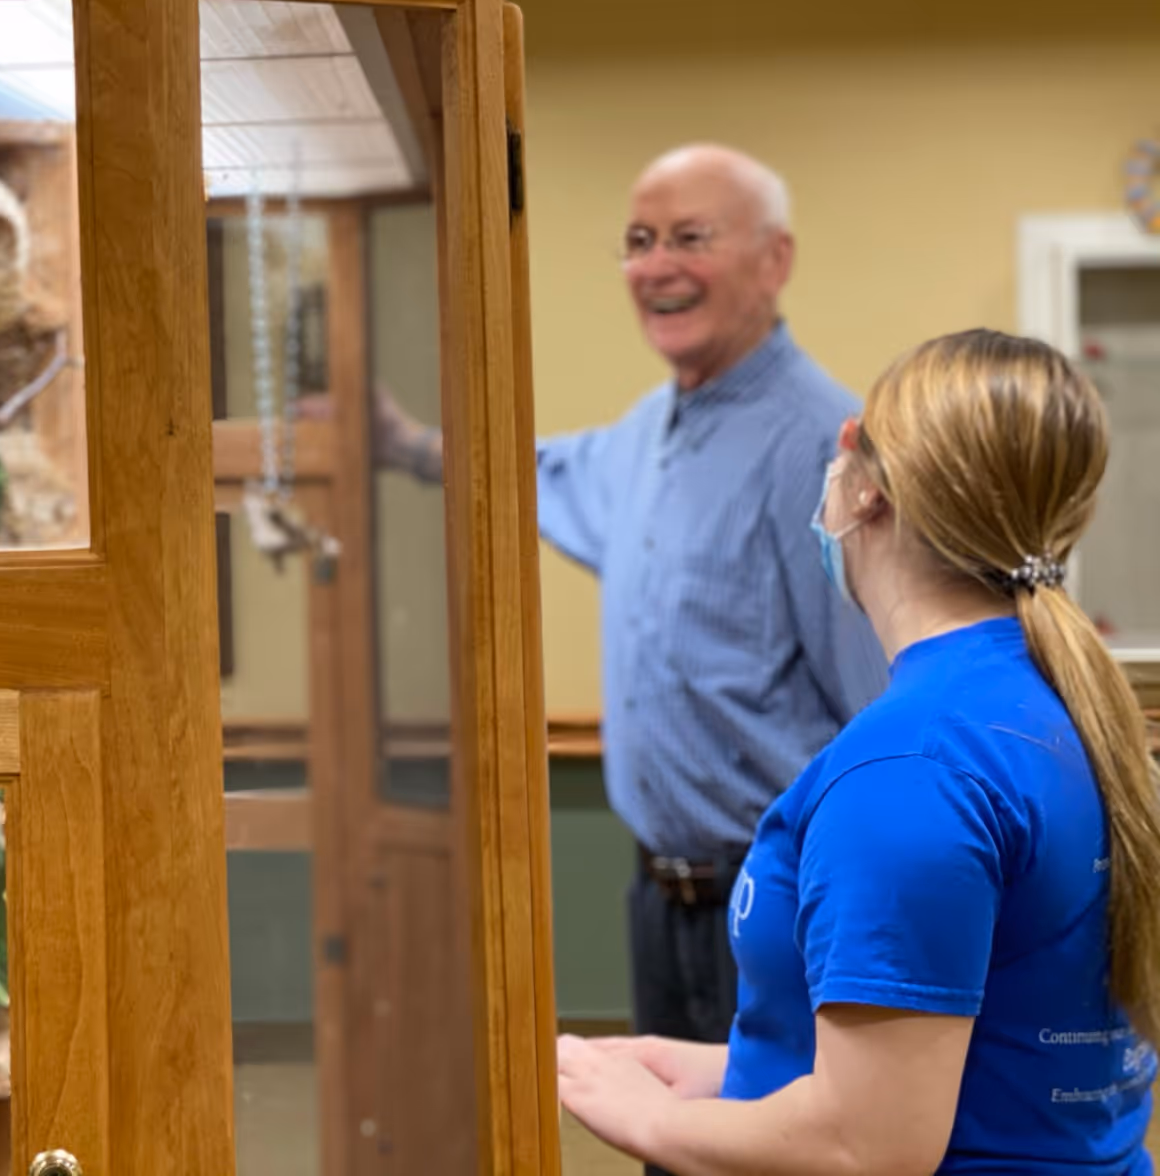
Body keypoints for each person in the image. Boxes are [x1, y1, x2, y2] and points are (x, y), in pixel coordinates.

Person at [323, 145, 885, 1146]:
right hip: (660, 898)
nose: (656, 264)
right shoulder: (648, 432)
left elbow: (878, 714)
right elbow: (532, 472)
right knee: (670, 1149)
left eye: (689, 238)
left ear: (774, 260)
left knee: (771, 1158)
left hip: (783, 909)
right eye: (637, 241)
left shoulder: (820, 449)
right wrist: (403, 443)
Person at [558, 329, 1160, 1174]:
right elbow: (988, 1051)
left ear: (865, 485)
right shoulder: (1051, 708)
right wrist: (716, 1075)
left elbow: (863, 1146)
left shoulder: (911, 770)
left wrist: (648, 1124)